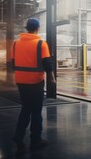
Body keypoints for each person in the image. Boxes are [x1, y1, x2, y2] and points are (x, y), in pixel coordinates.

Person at [11, 18, 56, 152]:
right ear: (38, 28)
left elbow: (13, 64)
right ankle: (35, 140)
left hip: (20, 81)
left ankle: (18, 135)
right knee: (36, 111)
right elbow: (47, 63)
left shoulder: (15, 44)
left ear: (26, 28)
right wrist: (52, 78)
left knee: (26, 108)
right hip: (35, 81)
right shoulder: (41, 44)